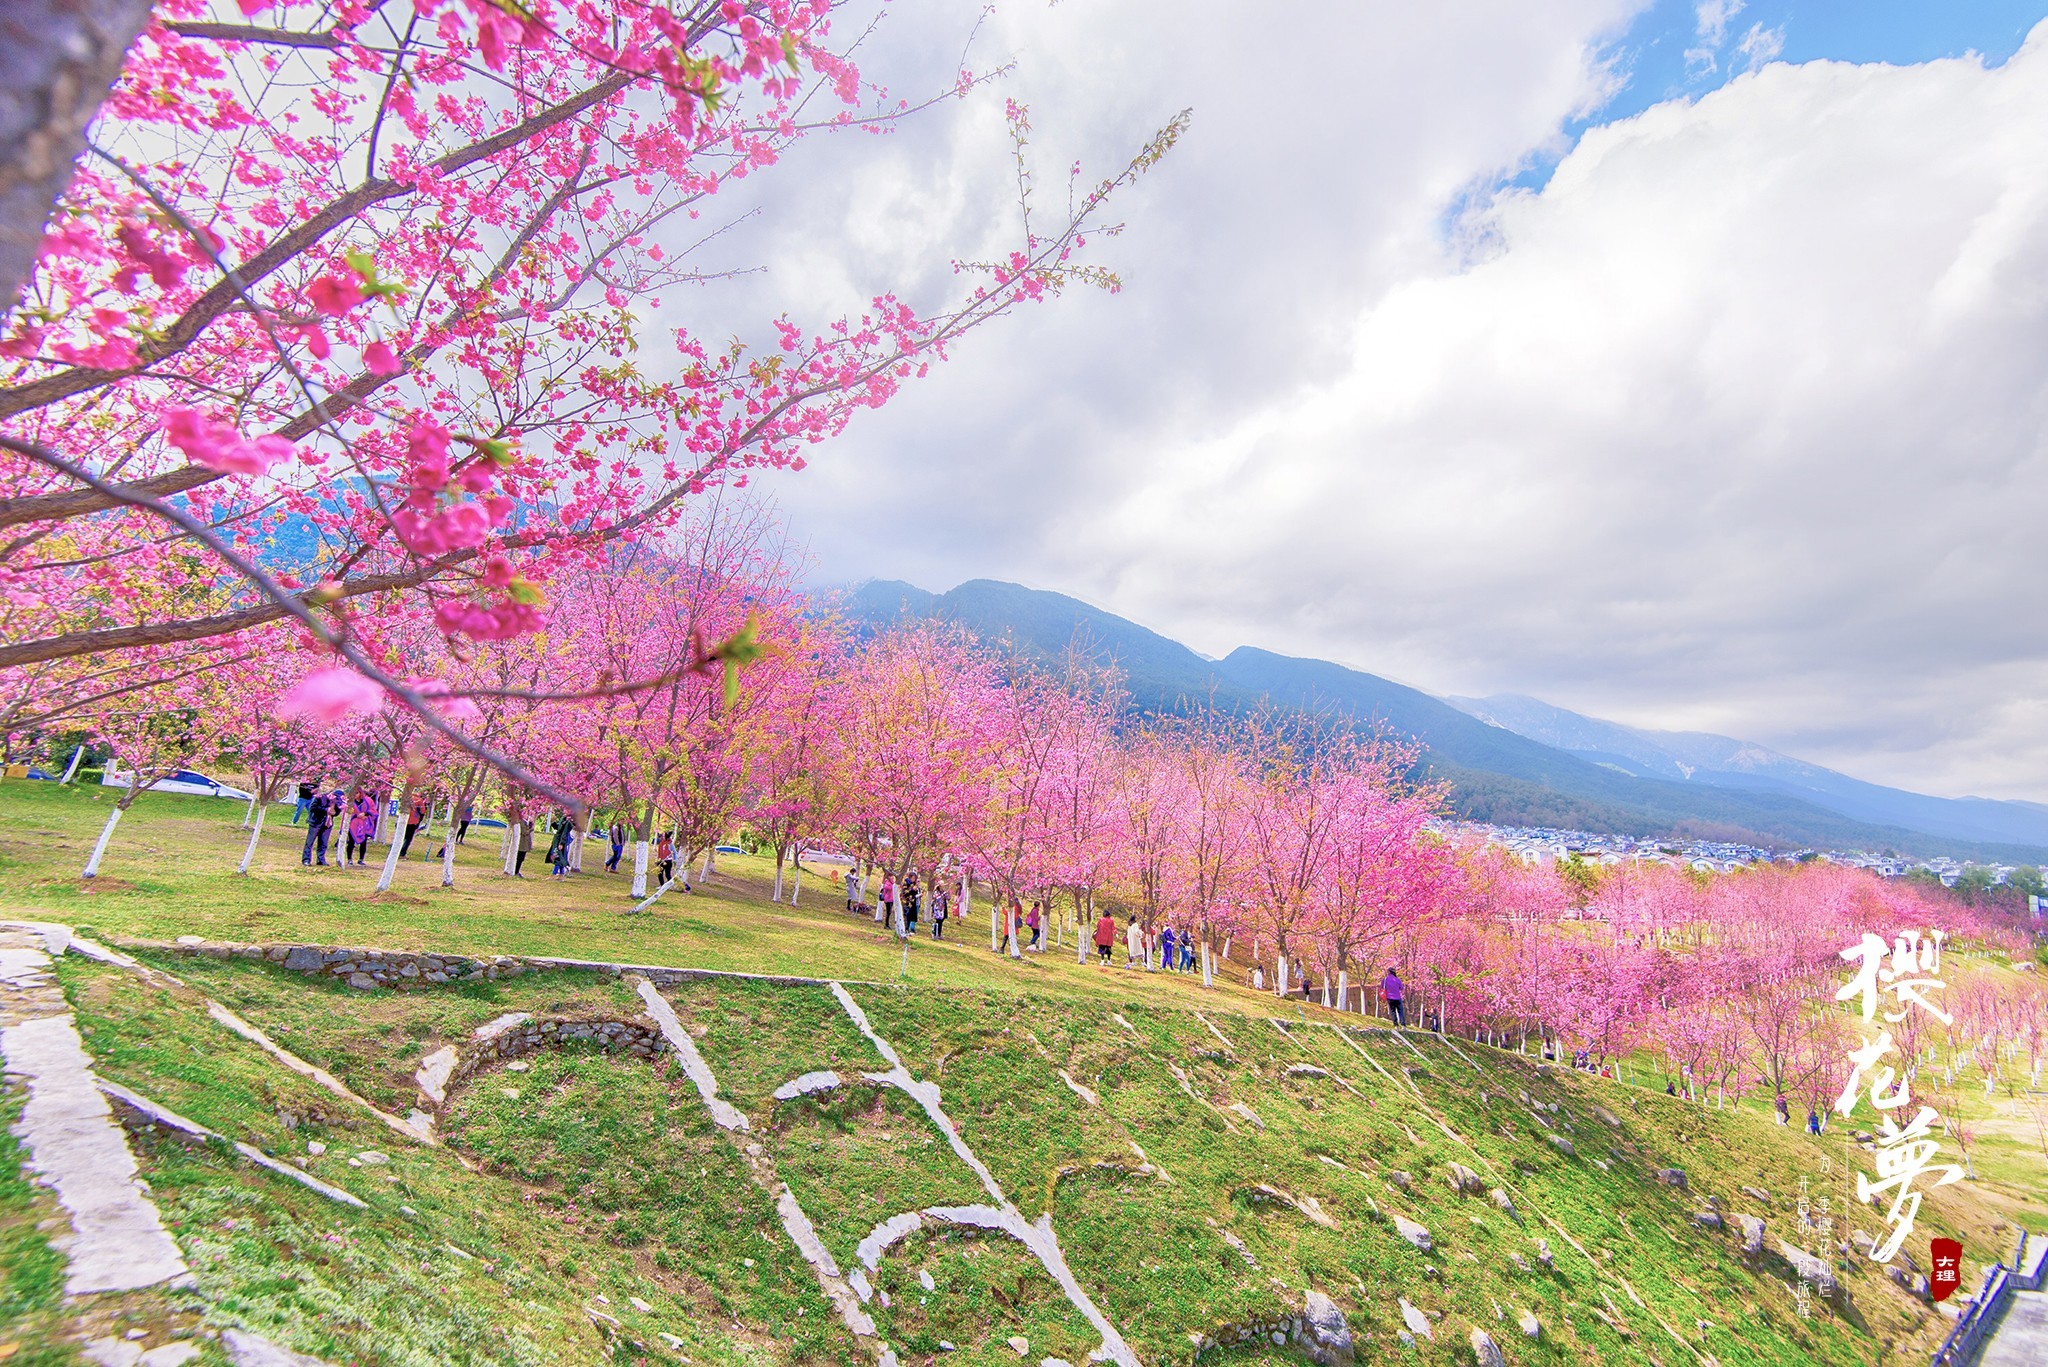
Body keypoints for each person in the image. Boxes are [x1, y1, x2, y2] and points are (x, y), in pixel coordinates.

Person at [301, 788, 334, 865]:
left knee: (323, 842)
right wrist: (326, 810)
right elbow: (313, 808)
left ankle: (321, 859)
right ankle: (306, 859)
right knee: (309, 842)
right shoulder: (318, 797)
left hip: (327, 824)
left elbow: (336, 811)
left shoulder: (334, 800)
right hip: (316, 822)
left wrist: (335, 811)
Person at [346, 790, 377, 866]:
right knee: (351, 841)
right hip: (353, 824)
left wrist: (365, 813)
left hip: (364, 823)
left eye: (356, 793)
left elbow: (373, 810)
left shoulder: (368, 800)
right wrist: (356, 815)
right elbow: (347, 812)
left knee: (364, 842)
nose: (355, 795)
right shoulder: (350, 802)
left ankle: (361, 859)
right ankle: (349, 859)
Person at [546, 812, 572, 879]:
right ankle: (561, 874)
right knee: (561, 857)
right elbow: (559, 828)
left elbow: (565, 832)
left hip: (561, 841)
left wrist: (561, 843)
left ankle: (554, 874)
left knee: (557, 857)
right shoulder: (564, 818)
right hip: (558, 839)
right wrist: (553, 822)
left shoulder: (569, 820)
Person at [902, 870, 921, 935]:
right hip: (907, 901)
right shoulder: (906, 882)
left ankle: (907, 929)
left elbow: (914, 894)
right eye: (913, 878)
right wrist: (912, 889)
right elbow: (905, 892)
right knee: (906, 915)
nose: (913, 879)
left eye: (914, 878)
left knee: (910, 916)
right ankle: (904, 929)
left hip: (913, 902)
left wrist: (916, 890)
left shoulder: (914, 884)